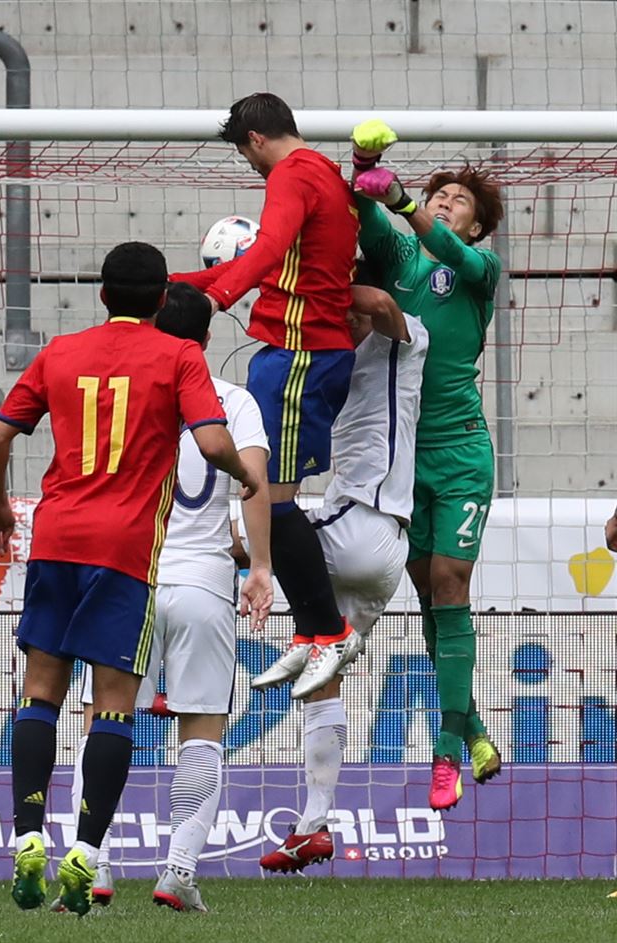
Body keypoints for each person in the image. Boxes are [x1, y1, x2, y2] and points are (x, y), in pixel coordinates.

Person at [0, 243, 259, 916]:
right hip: (125, 552)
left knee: (41, 692)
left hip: (56, 539)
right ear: (163, 300)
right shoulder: (178, 356)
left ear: (100, 295)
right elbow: (216, 444)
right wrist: (249, 480)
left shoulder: (59, 352)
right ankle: (84, 850)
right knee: (112, 703)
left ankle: (25, 836)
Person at [67, 283, 273, 914]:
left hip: (129, 577)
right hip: (204, 583)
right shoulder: (234, 402)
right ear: (209, 341)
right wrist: (259, 566)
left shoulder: (128, 393)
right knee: (202, 732)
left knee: (105, 720)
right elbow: (256, 484)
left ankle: (91, 863)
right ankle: (178, 870)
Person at [170, 92, 364, 699]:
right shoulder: (325, 175)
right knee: (273, 499)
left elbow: (269, 246)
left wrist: (215, 298)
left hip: (300, 352)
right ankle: (311, 631)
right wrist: (176, 283)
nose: (253, 170)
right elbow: (268, 256)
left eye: (246, 157)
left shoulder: (292, 175)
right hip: (301, 350)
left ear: (255, 140)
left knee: (269, 501)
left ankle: (328, 630)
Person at [235, 276, 429, 870]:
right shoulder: (335, 359)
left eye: (343, 312)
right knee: (323, 675)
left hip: (364, 518)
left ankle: (174, 675)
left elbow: (376, 304)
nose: (342, 321)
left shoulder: (401, 337)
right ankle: (315, 825)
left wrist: (316, 282)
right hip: (378, 550)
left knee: (247, 531)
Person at [349, 120, 505, 811]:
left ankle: (444, 751)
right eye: (440, 192)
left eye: (458, 201)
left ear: (476, 228)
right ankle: (469, 724)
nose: (445, 203)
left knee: (451, 582)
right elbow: (369, 222)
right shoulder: (400, 257)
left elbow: (431, 235)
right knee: (429, 601)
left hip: (463, 451)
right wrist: (363, 171)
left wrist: (408, 197)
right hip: (401, 455)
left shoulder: (477, 269)